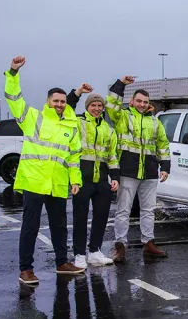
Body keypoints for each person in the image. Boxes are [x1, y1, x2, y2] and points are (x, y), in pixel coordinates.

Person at [3, 56, 85, 284]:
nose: (59, 104)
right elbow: (14, 98)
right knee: (31, 226)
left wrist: (75, 180)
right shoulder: (32, 117)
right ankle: (26, 270)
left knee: (59, 226)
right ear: (48, 101)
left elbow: (74, 156)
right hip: (35, 182)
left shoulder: (71, 125)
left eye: (62, 101)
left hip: (58, 183)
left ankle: (62, 263)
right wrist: (13, 73)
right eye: (55, 100)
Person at [105, 76, 171, 262]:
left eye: (145, 102)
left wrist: (165, 166)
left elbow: (162, 145)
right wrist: (120, 84)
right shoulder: (122, 116)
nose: (142, 104)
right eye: (139, 101)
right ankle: (120, 245)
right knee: (123, 210)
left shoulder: (155, 122)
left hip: (149, 172)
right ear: (131, 101)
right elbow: (110, 104)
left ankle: (148, 243)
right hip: (128, 171)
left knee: (149, 210)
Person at [65, 85, 120, 267]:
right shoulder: (78, 122)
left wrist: (115, 178)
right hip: (81, 180)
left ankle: (95, 251)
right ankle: (79, 254)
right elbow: (68, 108)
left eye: (99, 106)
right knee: (80, 218)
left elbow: (112, 156)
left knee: (101, 216)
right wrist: (77, 93)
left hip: (102, 181)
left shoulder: (108, 130)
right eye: (93, 105)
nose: (96, 109)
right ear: (87, 107)